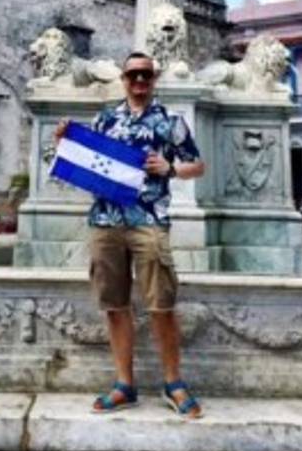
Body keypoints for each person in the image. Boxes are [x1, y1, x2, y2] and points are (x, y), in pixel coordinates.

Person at [54, 51, 205, 419]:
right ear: (123, 79)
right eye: (133, 75)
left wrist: (171, 168)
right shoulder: (105, 119)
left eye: (145, 75)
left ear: (154, 80)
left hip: (149, 219)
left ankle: (173, 383)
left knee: (161, 303)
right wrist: (64, 141)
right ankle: (125, 385)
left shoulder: (170, 121)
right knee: (114, 304)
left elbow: (198, 165)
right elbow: (85, 161)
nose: (139, 81)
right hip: (106, 221)